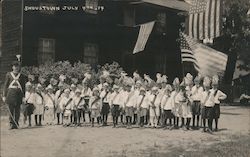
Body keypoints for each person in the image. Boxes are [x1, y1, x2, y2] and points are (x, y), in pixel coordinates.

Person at [2, 61, 27, 129]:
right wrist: (4, 95)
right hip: (10, 94)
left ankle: (16, 123)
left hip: (18, 94)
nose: (16, 68)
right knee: (11, 109)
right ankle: (11, 124)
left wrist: (24, 97)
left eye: (17, 66)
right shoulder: (8, 74)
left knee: (17, 110)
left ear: (19, 67)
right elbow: (5, 85)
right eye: (14, 66)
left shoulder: (21, 76)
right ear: (12, 67)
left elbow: (23, 87)